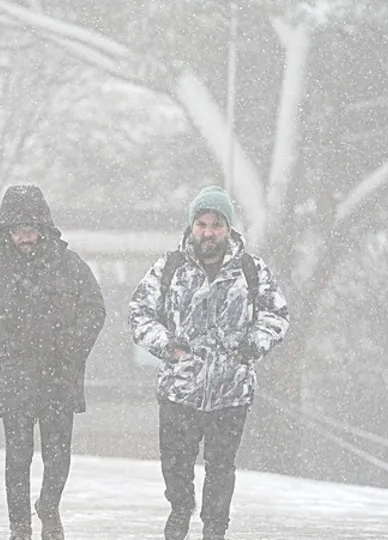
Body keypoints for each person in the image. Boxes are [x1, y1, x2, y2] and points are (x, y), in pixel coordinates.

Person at [128, 186, 290, 540]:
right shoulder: (169, 267)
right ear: (192, 227)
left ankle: (215, 528)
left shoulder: (250, 269)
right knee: (175, 465)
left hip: (231, 390)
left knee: (221, 469)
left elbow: (276, 314)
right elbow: (139, 313)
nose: (208, 232)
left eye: (216, 224)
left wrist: (253, 345)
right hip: (179, 389)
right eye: (201, 223)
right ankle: (180, 511)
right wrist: (167, 346)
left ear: (228, 228)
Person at [0, 185, 106, 540]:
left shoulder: (70, 266)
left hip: (60, 377)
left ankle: (49, 506)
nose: (24, 235)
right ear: (6, 232)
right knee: (17, 458)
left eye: (30, 226)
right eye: (17, 228)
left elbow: (94, 310)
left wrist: (72, 350)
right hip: (14, 380)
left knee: (58, 457)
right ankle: (20, 525)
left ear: (43, 227)